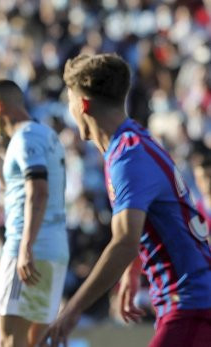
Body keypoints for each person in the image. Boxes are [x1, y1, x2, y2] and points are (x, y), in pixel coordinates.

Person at [42, 53, 211, 347]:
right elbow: (150, 219)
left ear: (82, 104)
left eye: (69, 100)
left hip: (193, 304)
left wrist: (72, 310)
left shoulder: (127, 157)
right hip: (189, 302)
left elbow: (124, 241)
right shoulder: (133, 142)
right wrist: (133, 271)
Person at [0, 80, 69, 347]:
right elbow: (20, 186)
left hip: (28, 250)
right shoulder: (45, 136)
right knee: (33, 341)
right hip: (53, 249)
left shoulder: (25, 139)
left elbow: (39, 191)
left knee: (10, 340)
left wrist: (26, 246)